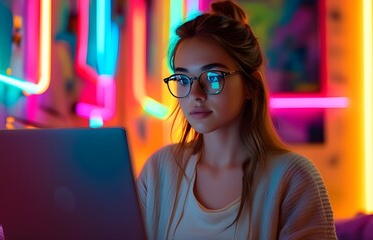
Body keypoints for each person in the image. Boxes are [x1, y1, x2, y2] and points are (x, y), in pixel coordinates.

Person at [136, 0, 337, 239]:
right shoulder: (159, 170)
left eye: (213, 77)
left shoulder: (292, 178)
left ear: (250, 86)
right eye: (182, 79)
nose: (195, 94)